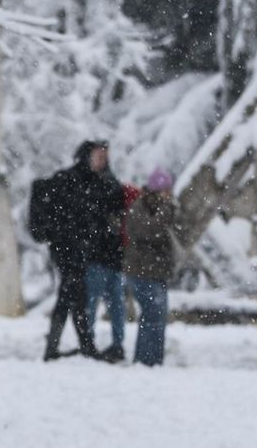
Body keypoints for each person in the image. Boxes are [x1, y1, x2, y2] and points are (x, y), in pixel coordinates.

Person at [30, 140, 122, 361]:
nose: (103, 160)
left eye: (105, 156)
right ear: (86, 156)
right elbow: (61, 213)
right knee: (72, 294)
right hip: (68, 249)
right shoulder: (68, 180)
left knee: (73, 297)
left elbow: (111, 204)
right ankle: (74, 346)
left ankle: (66, 346)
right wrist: (60, 233)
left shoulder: (101, 181)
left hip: (84, 250)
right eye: (98, 155)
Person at [123, 169, 181, 366]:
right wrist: (166, 211)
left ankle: (153, 359)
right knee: (152, 314)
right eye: (165, 191)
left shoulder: (162, 209)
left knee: (157, 315)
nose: (168, 196)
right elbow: (149, 231)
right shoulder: (140, 208)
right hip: (143, 272)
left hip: (157, 272)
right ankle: (146, 360)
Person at [83, 147, 129, 363]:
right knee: (96, 304)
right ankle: (91, 342)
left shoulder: (109, 185)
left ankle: (115, 345)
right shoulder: (98, 185)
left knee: (113, 305)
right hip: (100, 257)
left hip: (109, 257)